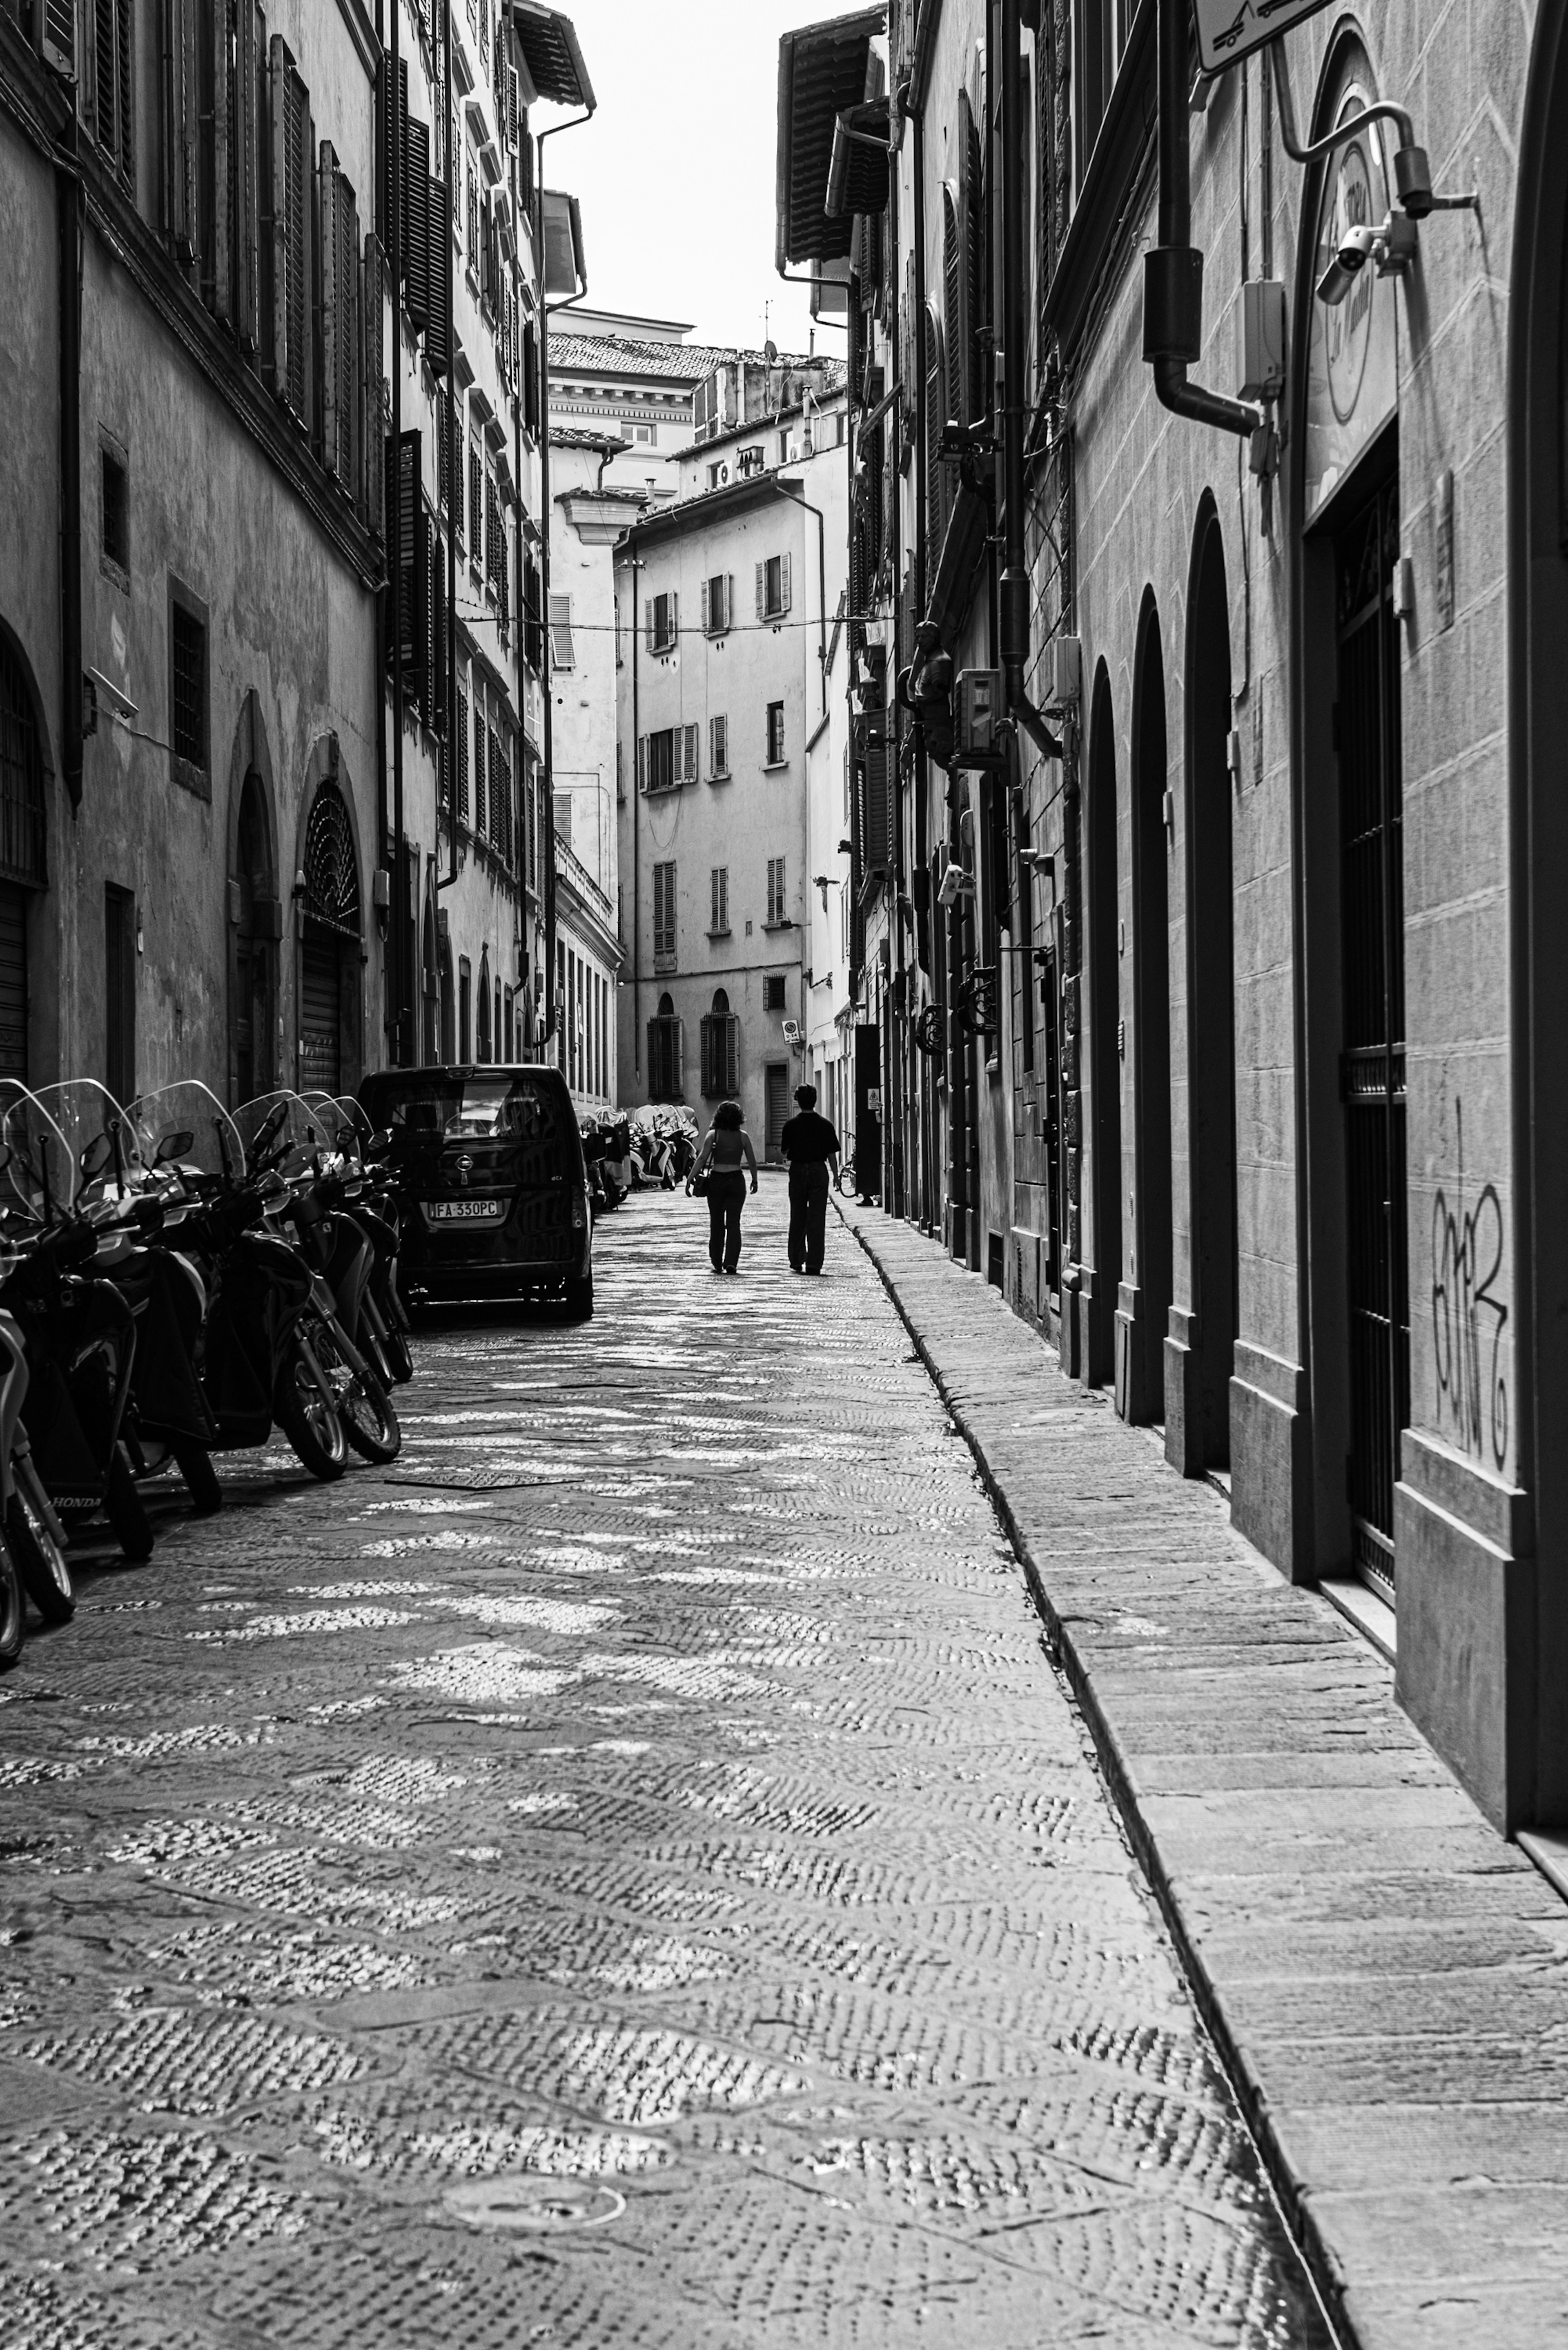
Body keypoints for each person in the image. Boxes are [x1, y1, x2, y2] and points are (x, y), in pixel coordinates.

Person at [689, 1099, 757, 1274]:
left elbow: (702, 1158)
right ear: (738, 1118)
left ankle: (717, 1261)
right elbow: (752, 1161)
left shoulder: (713, 1135)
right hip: (736, 1180)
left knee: (717, 1222)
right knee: (734, 1223)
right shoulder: (743, 1137)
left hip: (717, 1181)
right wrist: (755, 1180)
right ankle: (731, 1262)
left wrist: (690, 1178)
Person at [780, 1083, 841, 1275]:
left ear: (798, 1101)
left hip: (798, 1170)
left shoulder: (790, 1125)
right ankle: (814, 1263)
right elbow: (832, 1155)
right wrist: (837, 1177)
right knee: (816, 1219)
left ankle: (797, 1260)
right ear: (815, 1101)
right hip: (818, 1170)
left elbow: (784, 1150)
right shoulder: (825, 1125)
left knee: (797, 1216)